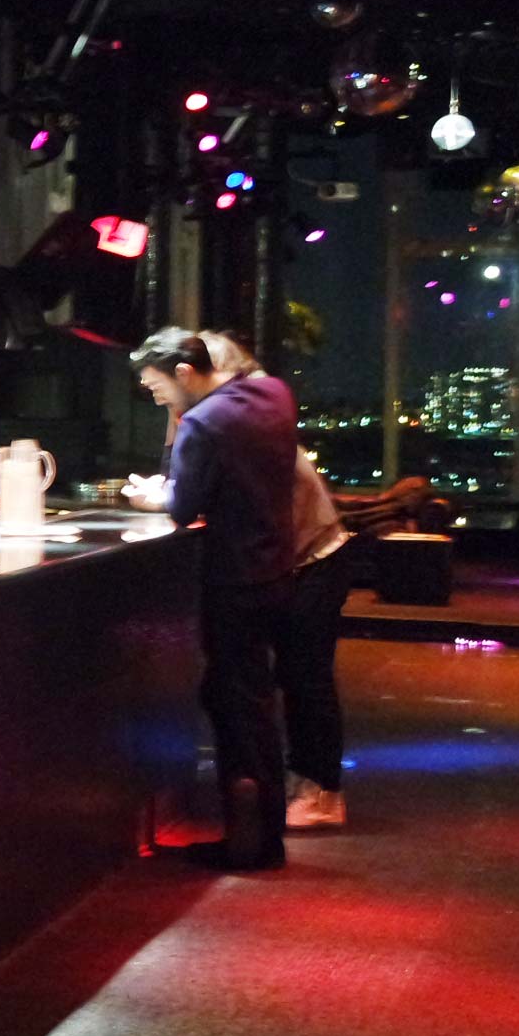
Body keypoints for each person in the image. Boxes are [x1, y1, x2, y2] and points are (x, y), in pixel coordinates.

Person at [126, 328, 303, 869]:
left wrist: (156, 498)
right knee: (256, 705)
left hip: (233, 580)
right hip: (276, 568)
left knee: (234, 708)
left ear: (184, 373)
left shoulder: (203, 421)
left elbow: (184, 509)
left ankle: (250, 847)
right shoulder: (273, 394)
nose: (155, 396)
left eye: (157, 387)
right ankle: (264, 833)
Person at [205, 332, 351, 830]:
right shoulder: (251, 411)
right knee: (295, 677)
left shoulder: (243, 417)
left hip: (316, 556)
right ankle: (302, 785)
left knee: (305, 678)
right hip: (301, 557)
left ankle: (322, 792)